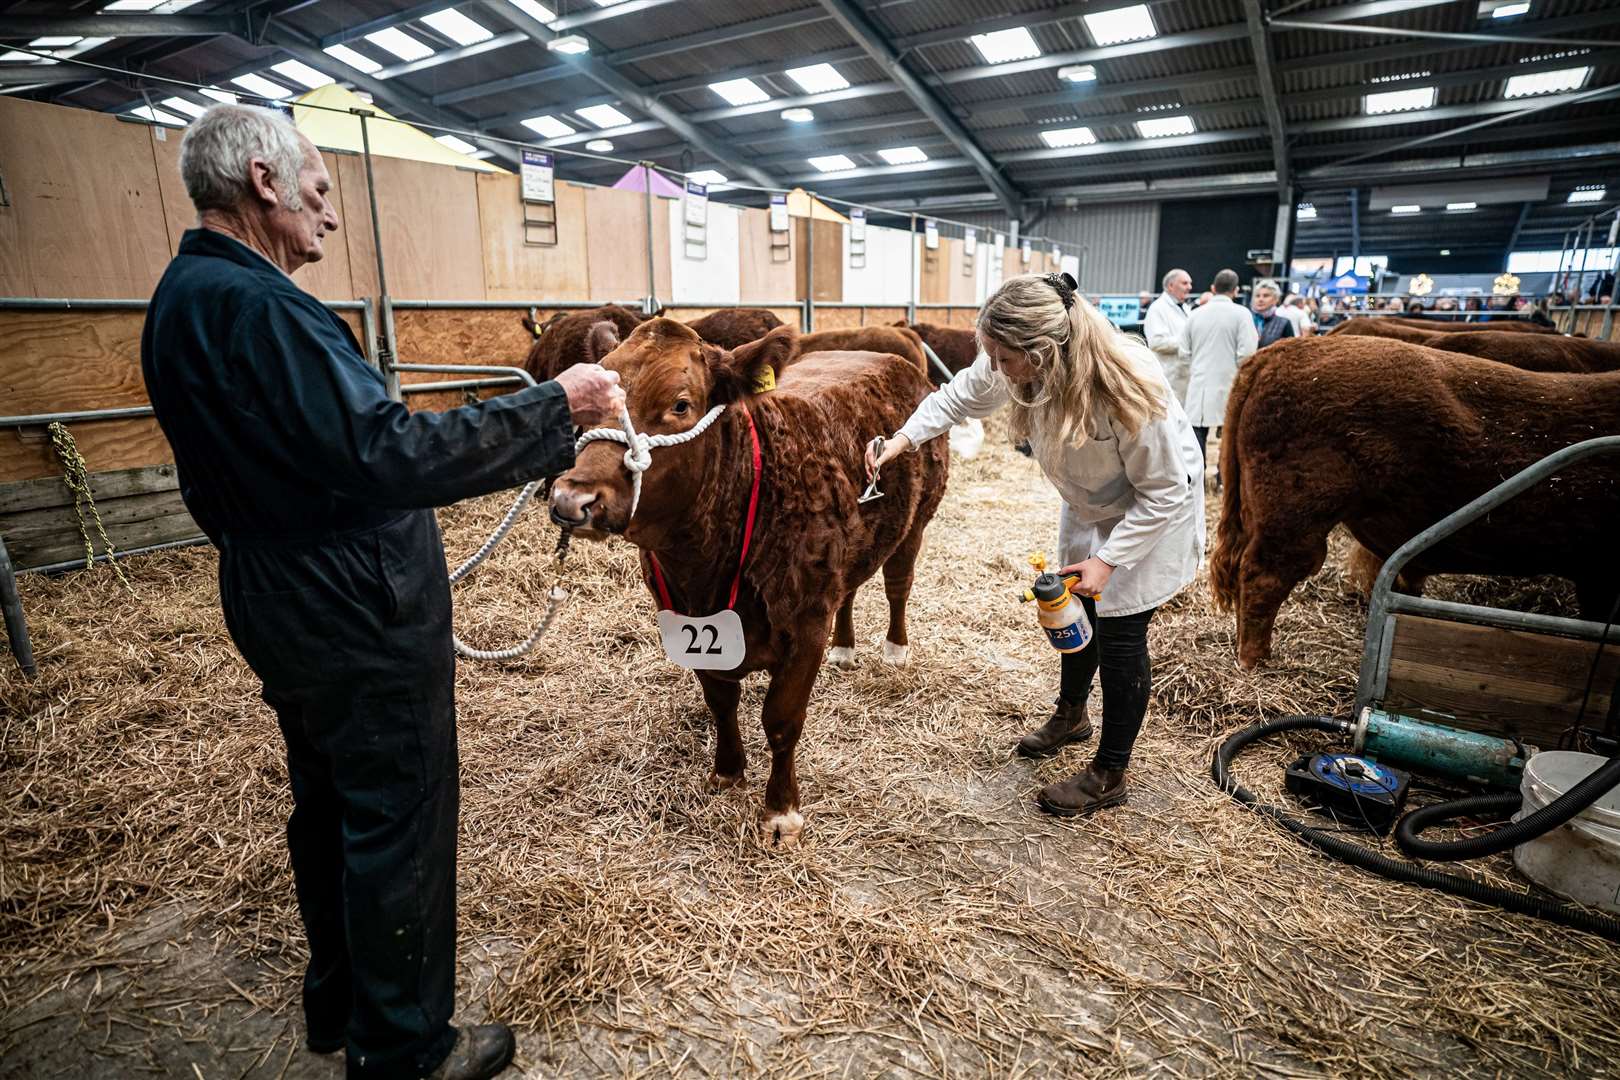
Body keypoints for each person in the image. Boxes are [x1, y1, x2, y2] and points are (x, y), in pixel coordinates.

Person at [140, 104, 625, 1080]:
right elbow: (386, 453)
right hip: (351, 604)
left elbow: (223, 473)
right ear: (264, 183)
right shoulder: (267, 308)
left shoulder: (178, 299)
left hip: (272, 588)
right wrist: (555, 408)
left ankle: (341, 1005)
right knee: (396, 814)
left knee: (330, 801)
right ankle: (405, 1048)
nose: (327, 216)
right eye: (318, 193)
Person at [865, 273, 1204, 817]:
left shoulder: (1127, 384)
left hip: (1150, 512)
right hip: (1093, 503)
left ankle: (1110, 772)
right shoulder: (1021, 363)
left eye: (1003, 357)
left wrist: (1109, 559)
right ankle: (1072, 714)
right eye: (990, 354)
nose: (995, 369)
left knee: (1120, 635)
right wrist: (904, 439)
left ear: (1044, 351)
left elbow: (1166, 489)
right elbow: (959, 396)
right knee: (1074, 607)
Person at [1180, 269, 1258, 465]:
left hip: (1198, 384)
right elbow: (1247, 353)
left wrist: (1197, 367)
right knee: (1229, 433)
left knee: (1197, 434)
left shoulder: (1194, 315)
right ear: (1236, 290)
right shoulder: (1242, 314)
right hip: (1230, 384)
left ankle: (1198, 477)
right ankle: (1223, 479)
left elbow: (1183, 353)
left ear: (1213, 288)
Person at [1143, 268, 1193, 403]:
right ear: (1170, 286)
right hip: (1168, 376)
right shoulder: (1157, 309)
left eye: (1190, 283)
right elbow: (1157, 342)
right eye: (1185, 283)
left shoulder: (1185, 308)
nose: (1189, 287)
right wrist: (1188, 343)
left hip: (1183, 377)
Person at [1249, 279, 1296, 348]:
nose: (1260, 299)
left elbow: (1291, 352)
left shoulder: (1284, 323)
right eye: (1257, 296)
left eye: (1266, 296)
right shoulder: (1246, 320)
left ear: (1275, 299)